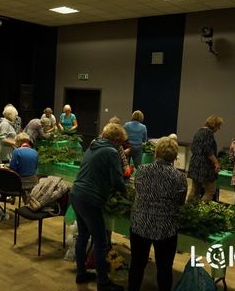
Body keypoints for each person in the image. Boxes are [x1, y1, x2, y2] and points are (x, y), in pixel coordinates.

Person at [69, 123, 127, 291]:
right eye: (121, 142)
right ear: (115, 140)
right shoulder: (111, 151)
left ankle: (81, 273)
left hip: (76, 194)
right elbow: (117, 180)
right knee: (101, 243)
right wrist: (125, 188)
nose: (121, 146)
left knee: (83, 235)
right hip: (90, 200)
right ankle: (103, 282)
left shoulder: (92, 146)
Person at [128, 136, 187, 291]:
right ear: (175, 157)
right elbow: (180, 202)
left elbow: (139, 191)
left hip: (140, 224)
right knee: (165, 268)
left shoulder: (141, 171)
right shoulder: (180, 177)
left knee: (136, 265)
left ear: (156, 153)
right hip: (166, 229)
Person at [188, 115, 223, 202]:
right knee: (210, 191)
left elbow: (193, 148)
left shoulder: (198, 131)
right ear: (214, 124)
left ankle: (188, 210)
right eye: (218, 126)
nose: (219, 129)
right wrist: (216, 163)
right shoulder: (209, 133)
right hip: (204, 166)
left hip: (194, 163)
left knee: (194, 190)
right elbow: (208, 151)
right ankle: (202, 211)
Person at [9, 132, 38, 202]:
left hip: (21, 182)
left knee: (7, 175)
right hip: (33, 181)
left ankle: (9, 197)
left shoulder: (17, 151)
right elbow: (35, 167)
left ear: (19, 142)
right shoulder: (35, 152)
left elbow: (12, 168)